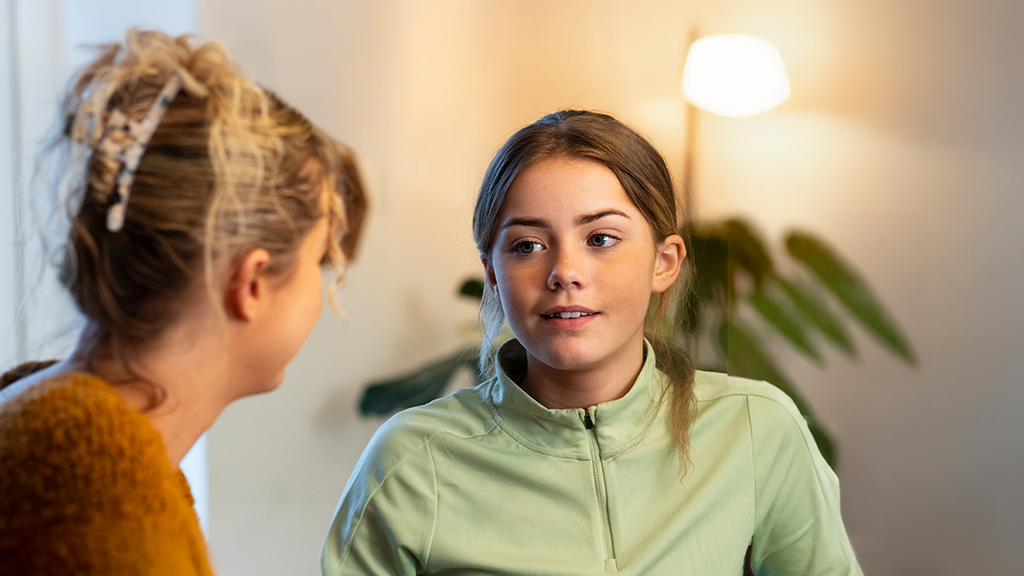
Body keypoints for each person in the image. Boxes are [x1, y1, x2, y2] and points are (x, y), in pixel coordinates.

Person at [322, 110, 862, 575]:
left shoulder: (757, 429)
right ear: (492, 275)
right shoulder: (411, 461)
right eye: (527, 245)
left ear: (664, 262)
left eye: (601, 238)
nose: (565, 271)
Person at [0, 29, 367, 575]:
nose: (322, 287)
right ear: (252, 283)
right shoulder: (105, 513)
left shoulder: (52, 420)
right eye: (319, 259)